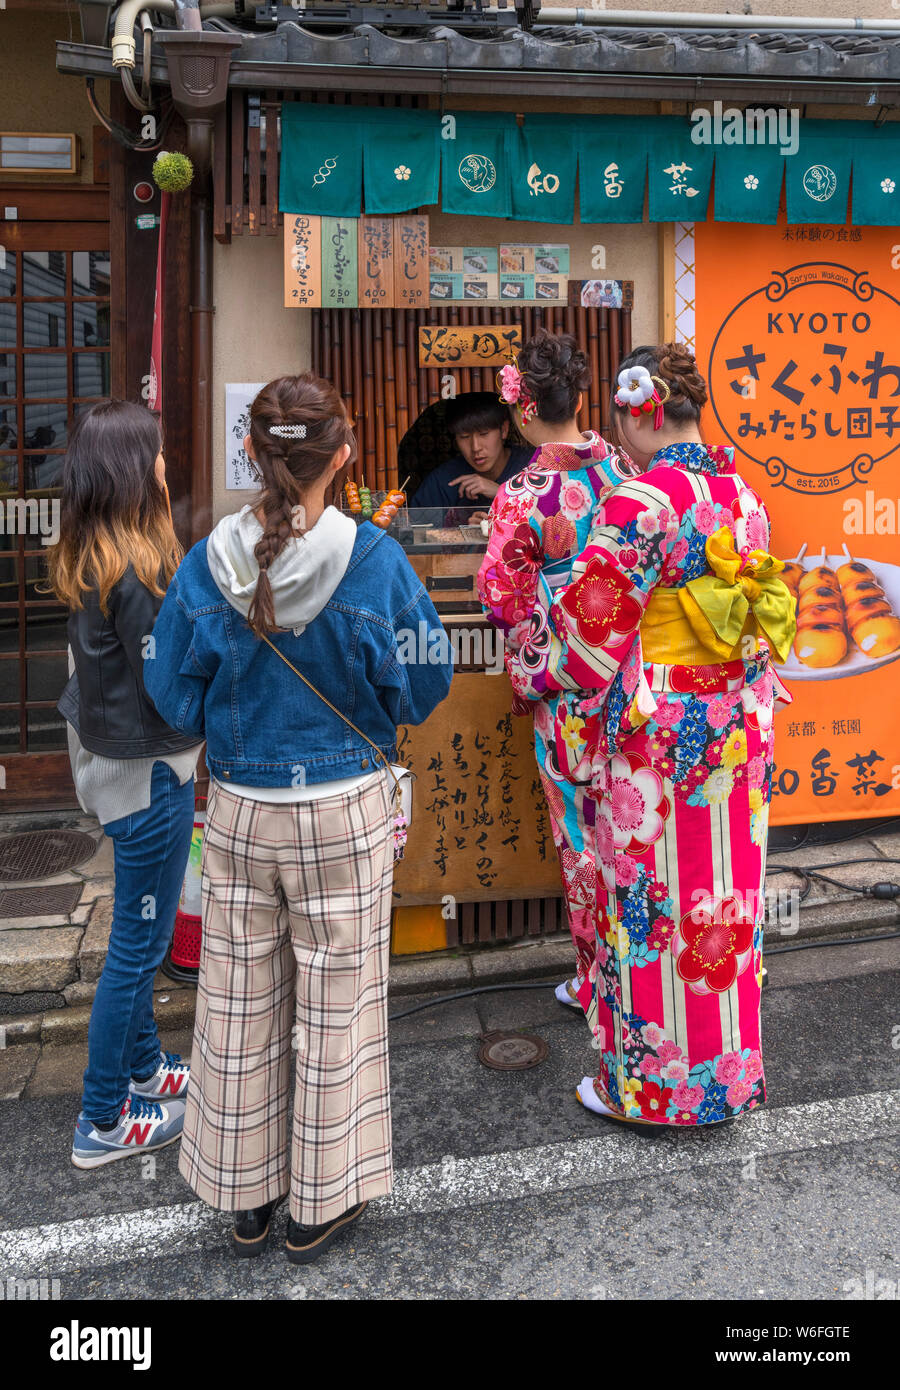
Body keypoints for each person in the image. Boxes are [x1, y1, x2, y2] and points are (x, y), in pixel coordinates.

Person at [144, 373, 452, 1262]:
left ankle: (244, 1201)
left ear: (254, 453)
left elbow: (169, 688)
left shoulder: (208, 561)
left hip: (240, 807)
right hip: (344, 809)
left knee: (237, 1002)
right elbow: (425, 678)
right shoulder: (375, 560)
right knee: (337, 1004)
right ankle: (319, 1204)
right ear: (344, 456)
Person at [506, 343, 796, 1126]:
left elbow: (588, 632)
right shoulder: (742, 490)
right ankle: (729, 1076)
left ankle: (657, 1089)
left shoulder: (642, 502)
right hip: (736, 727)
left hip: (659, 738)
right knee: (724, 903)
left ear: (640, 410)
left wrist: (531, 668)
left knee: (649, 903)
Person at [47, 400, 202, 1169]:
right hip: (147, 777)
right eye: (160, 454)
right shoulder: (137, 571)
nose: (168, 466)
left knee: (135, 936)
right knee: (139, 945)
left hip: (116, 766)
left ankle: (143, 1066)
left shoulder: (92, 553)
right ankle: (103, 1118)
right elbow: (168, 685)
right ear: (138, 472)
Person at [477, 329, 638, 1029]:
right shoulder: (627, 473)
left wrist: (551, 603)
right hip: (632, 682)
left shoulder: (524, 493)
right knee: (630, 830)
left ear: (525, 411)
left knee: (579, 836)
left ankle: (595, 981)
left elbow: (500, 598)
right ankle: (636, 970)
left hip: (570, 691)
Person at [409, 392, 532, 512]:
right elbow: (416, 527)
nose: (475, 447)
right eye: (464, 437)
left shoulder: (532, 466)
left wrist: (501, 493)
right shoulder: (443, 482)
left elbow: (548, 518)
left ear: (504, 430)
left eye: (484, 434)